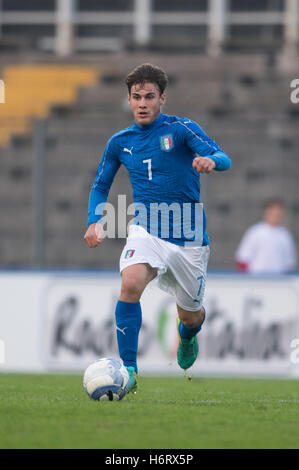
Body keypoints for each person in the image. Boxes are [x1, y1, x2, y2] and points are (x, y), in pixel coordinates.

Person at [84, 64, 231, 393]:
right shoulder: (119, 142)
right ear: (129, 99)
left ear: (162, 99)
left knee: (191, 315)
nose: (142, 103)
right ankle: (130, 371)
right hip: (147, 230)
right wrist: (94, 221)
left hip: (189, 239)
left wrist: (211, 162)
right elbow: (100, 184)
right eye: (136, 97)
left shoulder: (181, 130)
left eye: (150, 97)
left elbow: (223, 156)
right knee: (130, 283)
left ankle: (188, 333)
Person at [235, 198, 297, 273]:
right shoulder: (255, 232)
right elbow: (243, 259)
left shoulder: (286, 235)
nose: (276, 215)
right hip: (256, 280)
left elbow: (289, 264)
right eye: (274, 212)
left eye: (279, 213)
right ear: (267, 212)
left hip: (279, 281)